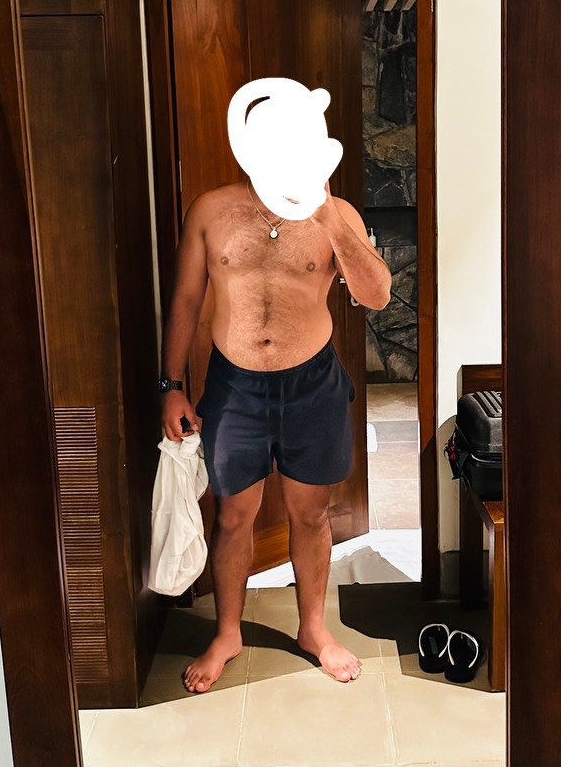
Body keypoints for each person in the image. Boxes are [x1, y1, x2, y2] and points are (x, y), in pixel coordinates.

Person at [159, 177, 391, 693]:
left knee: (310, 513)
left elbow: (377, 295)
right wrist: (171, 386)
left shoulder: (336, 211)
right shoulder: (210, 209)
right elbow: (186, 299)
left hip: (313, 383)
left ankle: (313, 629)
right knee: (233, 516)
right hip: (234, 386)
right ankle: (227, 634)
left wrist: (328, 216)